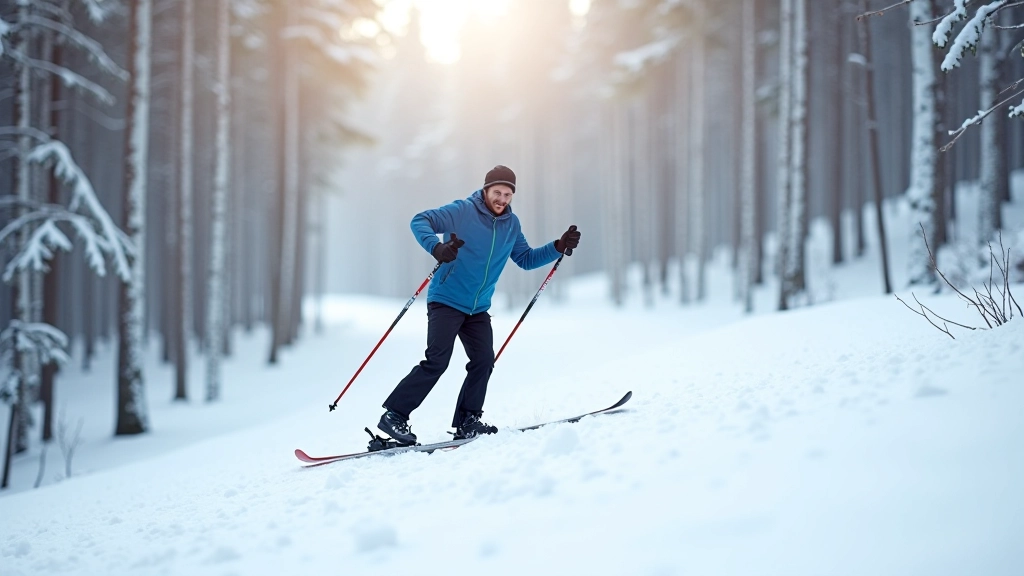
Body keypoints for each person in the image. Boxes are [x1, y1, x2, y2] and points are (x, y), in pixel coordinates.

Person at [377, 165, 581, 444]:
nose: (502, 199)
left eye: (508, 194)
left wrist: (557, 246)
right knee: (437, 361)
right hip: (446, 300)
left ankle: (468, 420)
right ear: (486, 190)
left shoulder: (512, 224)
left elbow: (526, 259)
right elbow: (420, 220)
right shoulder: (462, 211)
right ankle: (394, 416)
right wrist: (436, 247)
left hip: (477, 309)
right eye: (497, 192)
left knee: (484, 360)